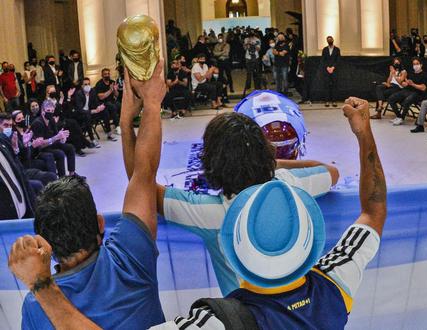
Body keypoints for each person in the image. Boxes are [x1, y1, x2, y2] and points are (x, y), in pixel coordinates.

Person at [12, 96, 386, 330]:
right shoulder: (335, 278)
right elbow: (365, 202)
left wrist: (131, 122)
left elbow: (140, 182)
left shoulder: (213, 315)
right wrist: (363, 133)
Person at [8, 60, 168, 329]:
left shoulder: (37, 307)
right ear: (100, 222)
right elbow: (144, 174)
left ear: (44, 245)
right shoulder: (129, 254)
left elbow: (143, 174)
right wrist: (147, 107)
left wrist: (40, 283)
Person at [158, 111, 339, 295]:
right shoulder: (288, 185)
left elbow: (143, 187)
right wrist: (268, 163)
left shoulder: (210, 212)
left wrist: (137, 116)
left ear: (212, 161)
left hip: (245, 318)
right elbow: (331, 172)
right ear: (265, 149)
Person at [0, 112, 36, 220]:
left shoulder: (4, 141)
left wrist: (17, 148)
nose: (8, 129)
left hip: (22, 201)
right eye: (6, 125)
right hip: (7, 213)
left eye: (10, 125)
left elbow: (20, 165)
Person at [31, 100, 76, 177]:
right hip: (42, 149)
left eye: (52, 111)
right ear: (42, 111)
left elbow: (56, 135)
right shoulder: (38, 123)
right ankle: (62, 178)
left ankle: (72, 174)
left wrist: (62, 139)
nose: (50, 113)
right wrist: (55, 138)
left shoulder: (51, 120)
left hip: (51, 144)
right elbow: (40, 145)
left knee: (70, 147)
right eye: (48, 110)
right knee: (60, 154)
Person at [74, 77, 116, 143]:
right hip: (82, 114)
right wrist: (92, 111)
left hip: (92, 111)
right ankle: (92, 139)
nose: (87, 86)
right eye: (85, 84)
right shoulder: (78, 94)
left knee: (105, 111)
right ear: (82, 86)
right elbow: (79, 110)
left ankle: (109, 134)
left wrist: (99, 107)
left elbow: (95, 102)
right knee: (87, 116)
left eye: (88, 84)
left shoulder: (92, 91)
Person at [388, 57, 427, 126]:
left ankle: (402, 118)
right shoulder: (411, 73)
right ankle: (398, 116)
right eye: (414, 64)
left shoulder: (424, 74)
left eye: (417, 64)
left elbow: (423, 88)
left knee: (407, 100)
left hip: (418, 93)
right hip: (408, 90)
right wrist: (403, 83)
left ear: (421, 65)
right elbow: (405, 84)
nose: (415, 66)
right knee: (391, 98)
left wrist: (413, 84)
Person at [94, 68, 121, 135]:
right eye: (105, 74)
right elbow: (101, 97)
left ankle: (120, 123)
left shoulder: (112, 82)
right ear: (102, 75)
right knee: (112, 106)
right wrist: (110, 90)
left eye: (108, 74)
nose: (107, 75)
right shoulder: (99, 84)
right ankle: (117, 126)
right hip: (103, 102)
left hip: (111, 101)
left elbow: (117, 95)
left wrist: (115, 90)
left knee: (119, 104)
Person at [321, 35, 341, 108]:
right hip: (326, 70)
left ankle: (334, 101)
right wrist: (327, 67)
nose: (330, 41)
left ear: (333, 40)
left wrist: (333, 67)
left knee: (334, 85)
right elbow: (323, 60)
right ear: (327, 41)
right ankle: (327, 101)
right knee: (326, 85)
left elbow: (338, 60)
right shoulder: (324, 49)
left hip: (334, 70)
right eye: (328, 40)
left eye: (331, 39)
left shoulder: (337, 49)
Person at [243, 30, 263, 95]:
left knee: (256, 72)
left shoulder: (257, 40)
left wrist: (254, 44)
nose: (250, 37)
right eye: (249, 36)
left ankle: (257, 86)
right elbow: (245, 48)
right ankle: (248, 86)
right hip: (248, 57)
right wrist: (247, 44)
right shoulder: (246, 39)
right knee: (248, 72)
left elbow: (259, 49)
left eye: (252, 36)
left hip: (256, 57)